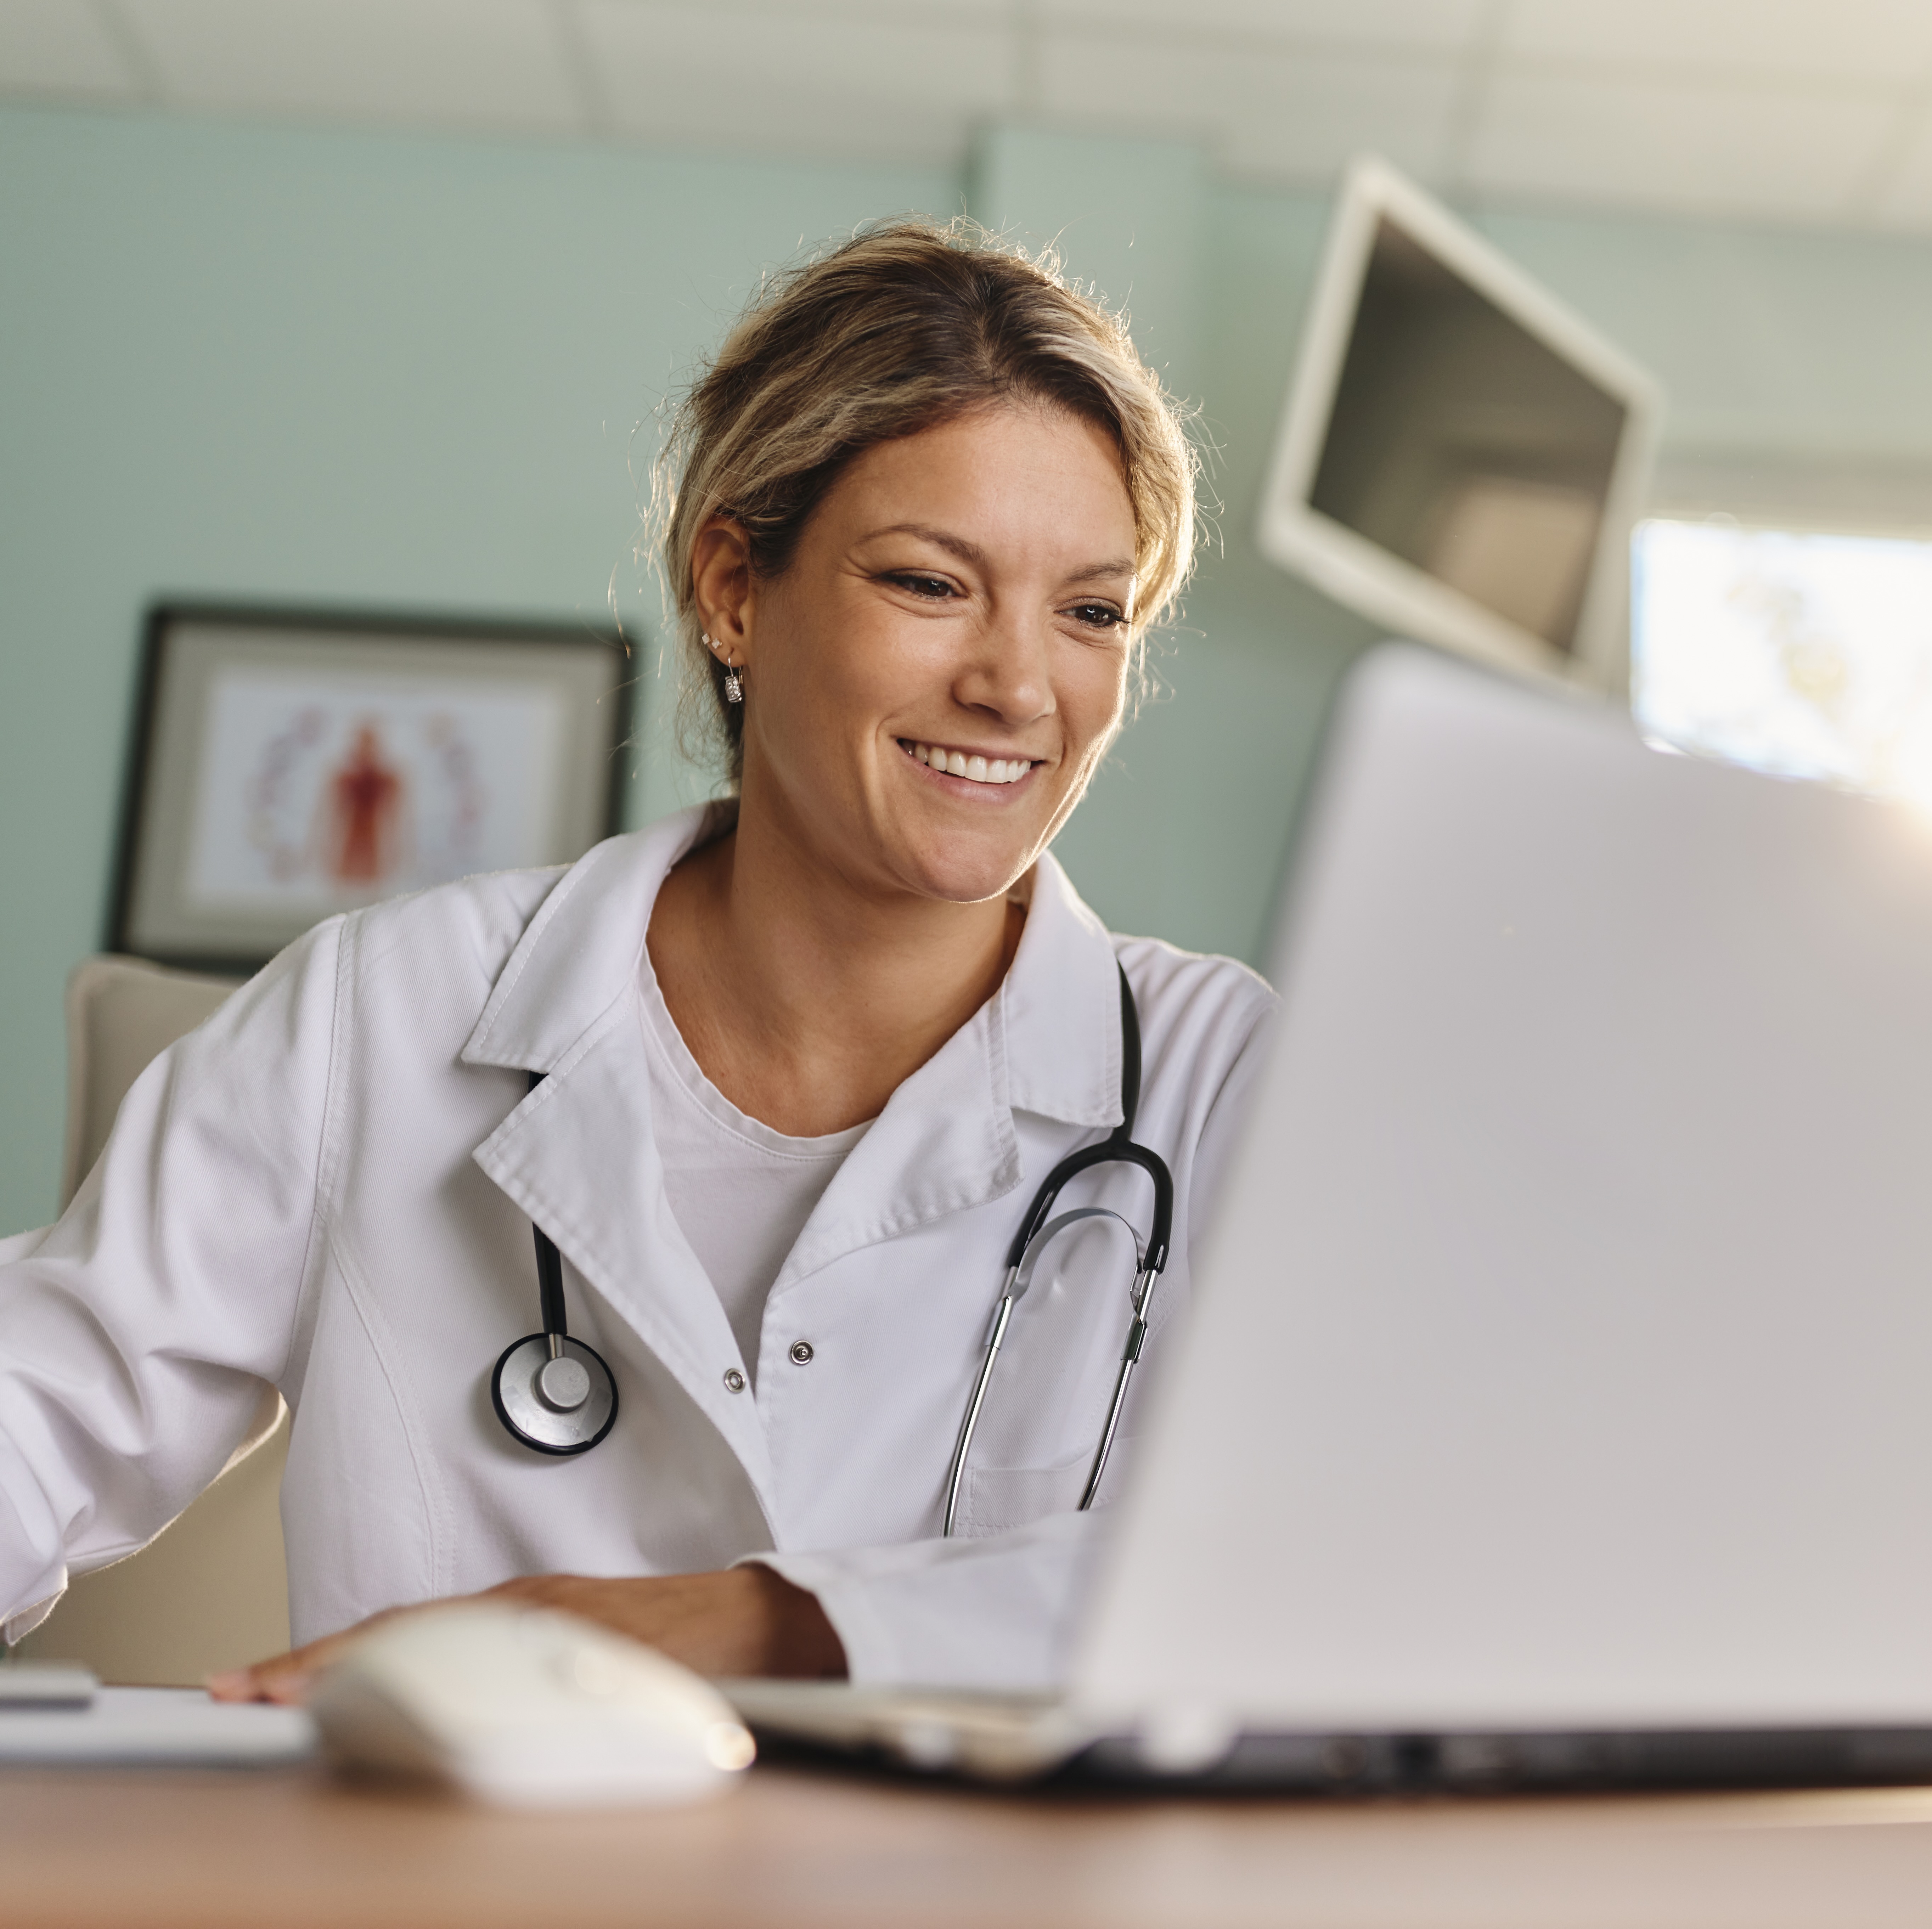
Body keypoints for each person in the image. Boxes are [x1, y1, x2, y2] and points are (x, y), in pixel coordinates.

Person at [0, 220, 1274, 1702]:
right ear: (734, 586)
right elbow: (40, 1404)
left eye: (1090, 612)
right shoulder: (384, 1017)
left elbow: (1367, 1546)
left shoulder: (1213, 1078)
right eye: (930, 584)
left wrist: (765, 1623)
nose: (1012, 684)